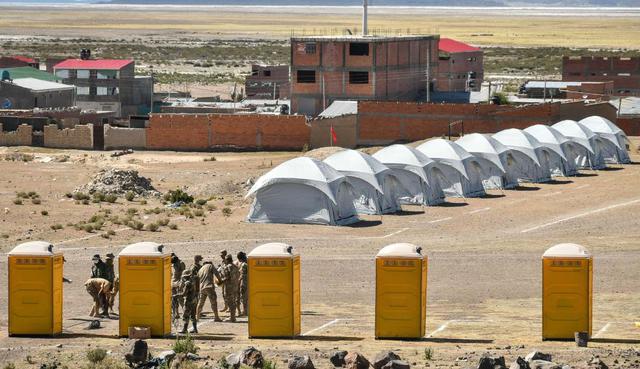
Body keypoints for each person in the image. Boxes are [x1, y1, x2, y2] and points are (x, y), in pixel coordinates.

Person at [218, 254, 239, 322]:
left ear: (227, 260)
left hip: (229, 287)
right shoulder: (235, 266)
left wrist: (220, 281)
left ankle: (232, 318)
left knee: (230, 302)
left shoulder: (228, 267)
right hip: (235, 286)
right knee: (233, 301)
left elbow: (227, 277)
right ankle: (233, 316)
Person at [178, 269, 199, 334]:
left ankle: (184, 329)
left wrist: (176, 295)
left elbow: (184, 294)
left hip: (189, 300)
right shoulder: (193, 281)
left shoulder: (187, 283)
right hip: (194, 299)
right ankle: (195, 329)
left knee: (186, 315)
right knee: (193, 315)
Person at [237, 252, 248, 317]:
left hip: (244, 283)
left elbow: (242, 275)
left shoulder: (244, 265)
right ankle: (245, 311)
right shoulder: (248, 263)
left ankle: (245, 311)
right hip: (247, 282)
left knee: (244, 297)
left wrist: (238, 282)